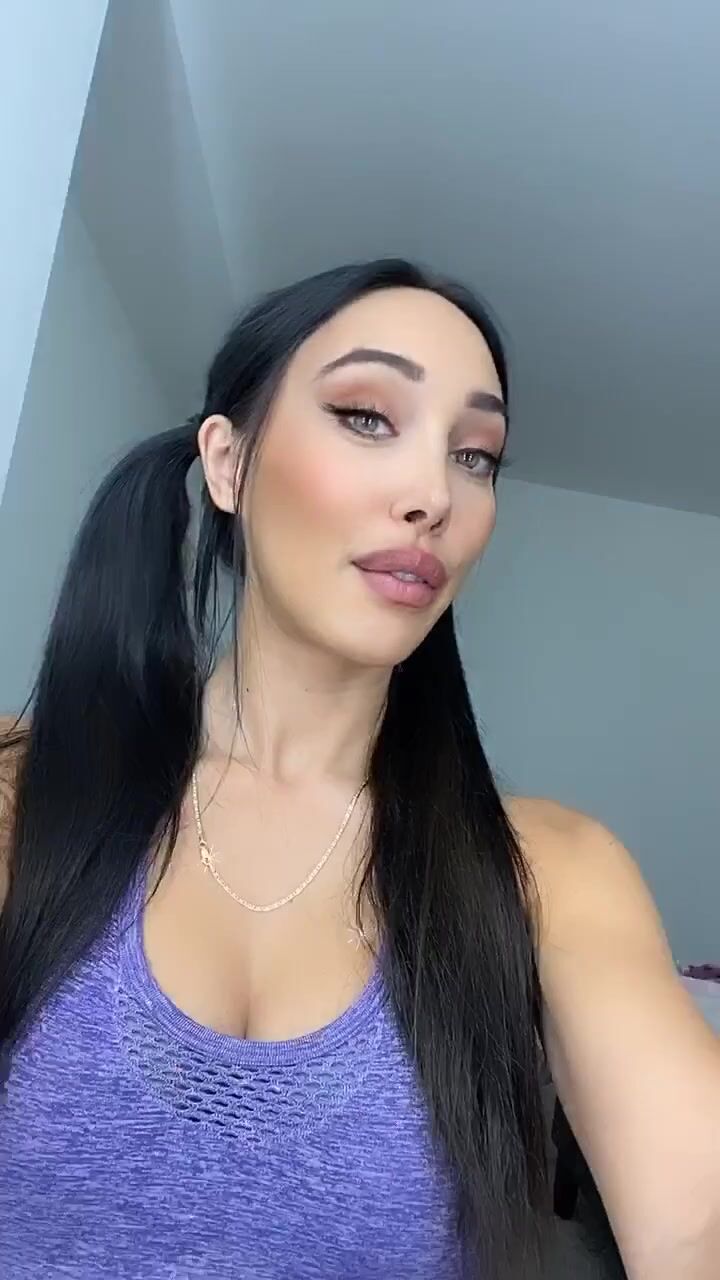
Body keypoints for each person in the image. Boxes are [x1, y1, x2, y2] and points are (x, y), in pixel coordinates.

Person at [0, 259, 717, 1280]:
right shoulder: (24, 793)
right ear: (228, 463)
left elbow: (698, 1225)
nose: (433, 495)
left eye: (475, 455)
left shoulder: (551, 870)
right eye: (367, 417)